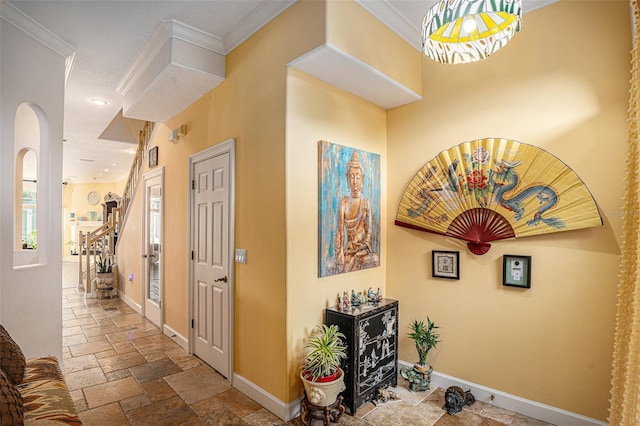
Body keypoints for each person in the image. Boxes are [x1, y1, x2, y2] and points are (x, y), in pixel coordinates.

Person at [334, 150, 379, 272]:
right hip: (347, 250)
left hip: (361, 251)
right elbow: (340, 231)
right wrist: (340, 253)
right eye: (352, 176)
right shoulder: (343, 203)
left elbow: (368, 232)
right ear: (348, 178)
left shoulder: (365, 203)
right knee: (330, 264)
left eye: (358, 177)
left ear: (362, 179)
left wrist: (363, 246)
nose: (355, 181)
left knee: (375, 259)